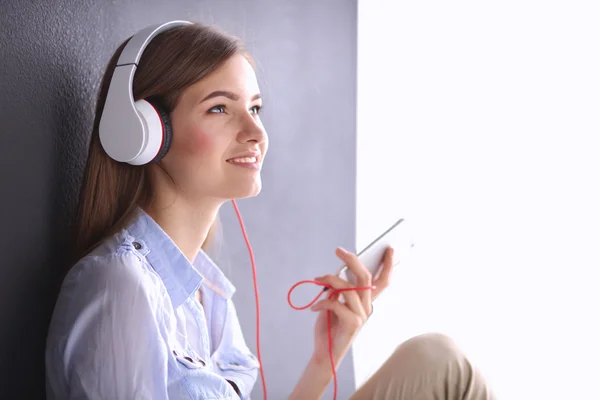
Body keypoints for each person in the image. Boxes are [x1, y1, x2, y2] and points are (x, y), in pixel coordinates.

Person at [45, 21, 496, 400]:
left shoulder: (207, 294)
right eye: (220, 108)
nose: (255, 131)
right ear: (145, 133)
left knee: (435, 358)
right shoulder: (121, 287)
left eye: (256, 108)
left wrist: (326, 359)